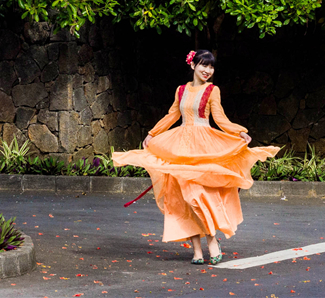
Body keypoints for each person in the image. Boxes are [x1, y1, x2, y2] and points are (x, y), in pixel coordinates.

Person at [112, 49, 279, 264]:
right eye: (203, 65)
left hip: (203, 144)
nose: (208, 70)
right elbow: (172, 115)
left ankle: (212, 242)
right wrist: (152, 134)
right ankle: (197, 251)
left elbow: (219, 118)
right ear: (193, 66)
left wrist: (238, 131)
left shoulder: (213, 90)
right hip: (181, 144)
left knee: (199, 195)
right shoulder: (181, 90)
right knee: (183, 198)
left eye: (211, 67)